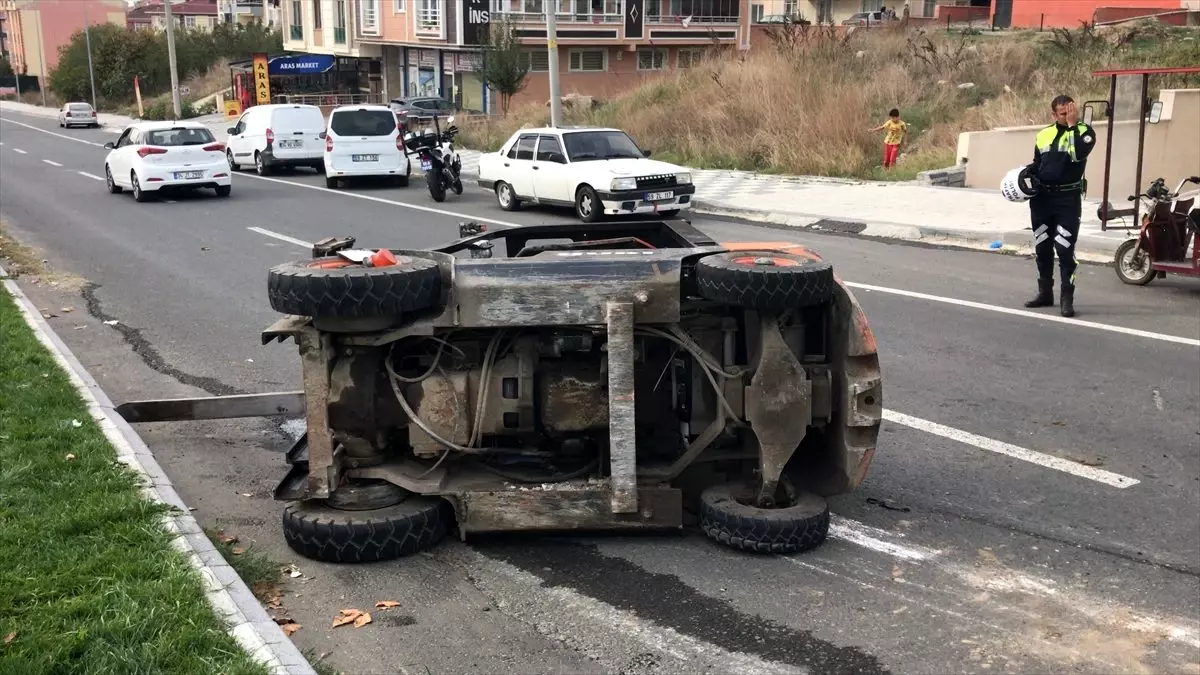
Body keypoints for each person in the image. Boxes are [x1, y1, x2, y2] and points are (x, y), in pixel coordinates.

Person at [1023, 94, 1096, 318]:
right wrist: (1027, 171)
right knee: (1042, 247)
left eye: (1070, 112)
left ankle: (1067, 299)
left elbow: (1077, 155)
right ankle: (1045, 293)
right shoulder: (1043, 134)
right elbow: (1039, 161)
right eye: (1063, 114)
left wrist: (1074, 125)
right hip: (1042, 199)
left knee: (1064, 249)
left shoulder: (1085, 133)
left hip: (1067, 201)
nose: (1067, 116)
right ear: (1054, 114)